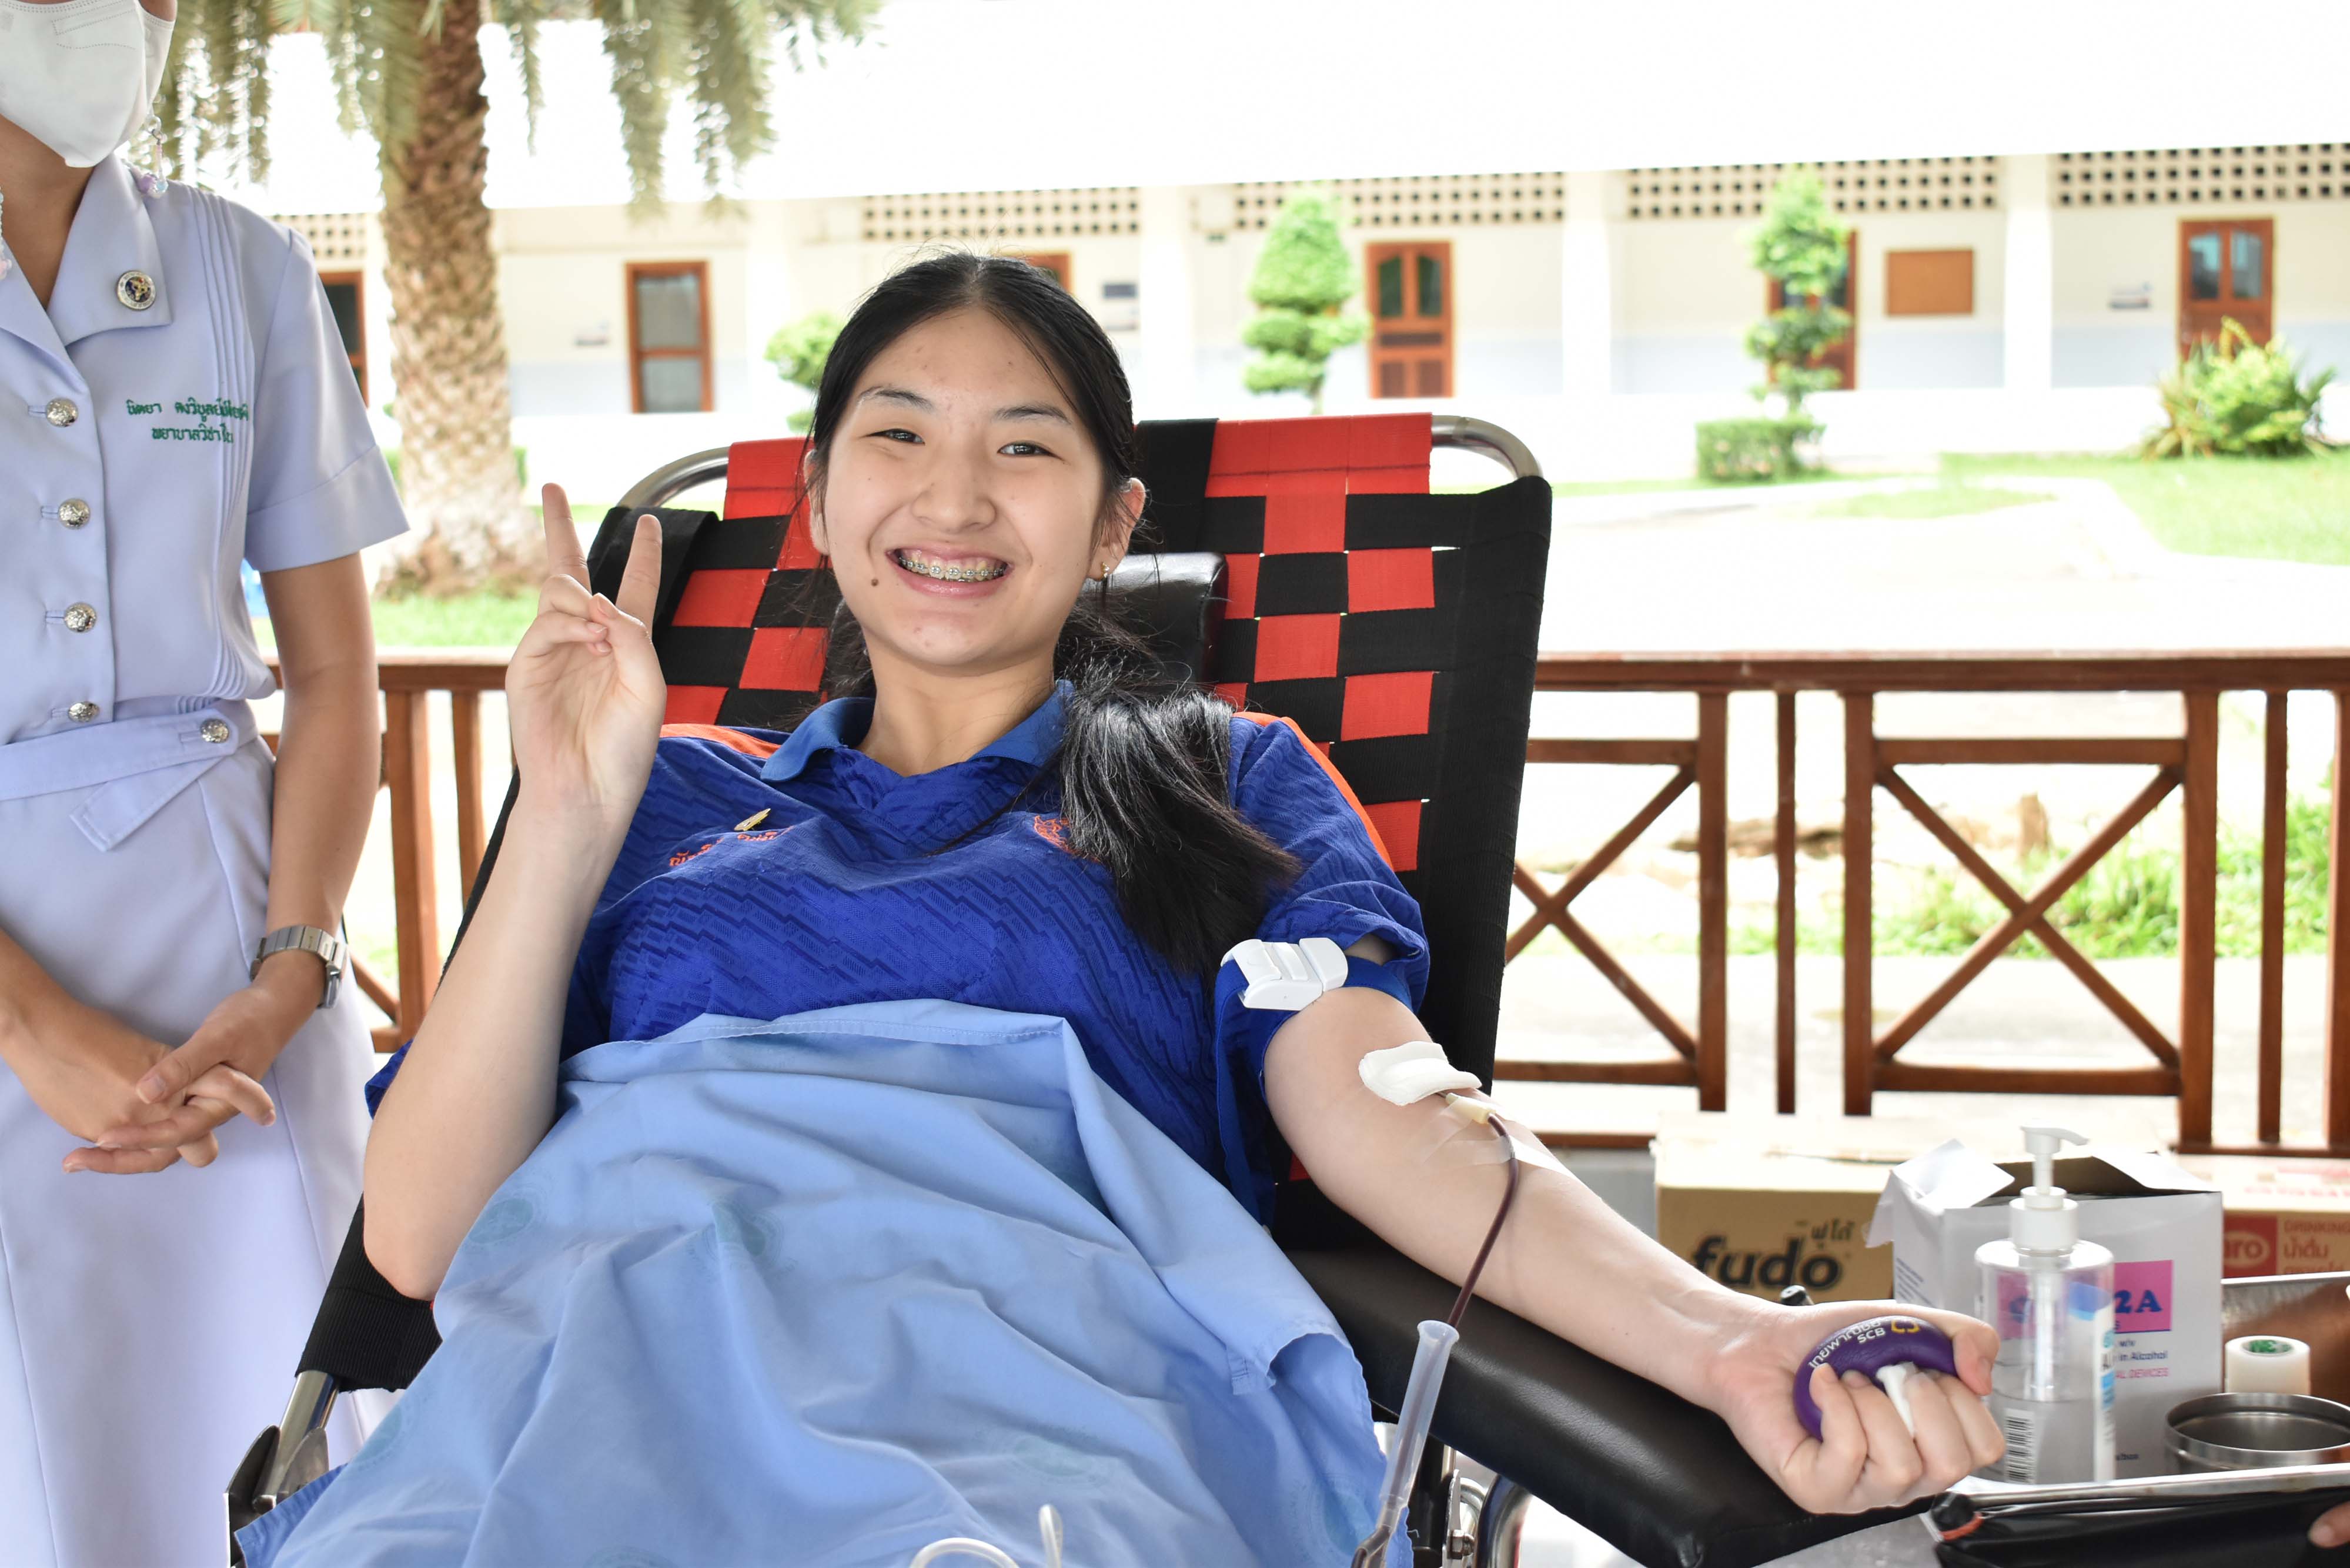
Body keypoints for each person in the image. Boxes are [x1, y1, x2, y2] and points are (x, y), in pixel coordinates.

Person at [238, 253, 2001, 1562]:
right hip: (614, 1382)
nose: (953, 496)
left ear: (1110, 525)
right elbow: (420, 1244)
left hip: (1032, 1402)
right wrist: (564, 815)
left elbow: (1400, 1119)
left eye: (1024, 447)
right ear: (817, 499)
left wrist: (1729, 1337)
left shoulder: (1224, 781)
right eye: (897, 435)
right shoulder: (662, 791)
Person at [0, 3, 407, 1560]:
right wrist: (32, 1027)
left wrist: (293, 970)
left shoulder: (243, 271)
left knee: (298, 1427)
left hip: (241, 949)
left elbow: (336, 676)